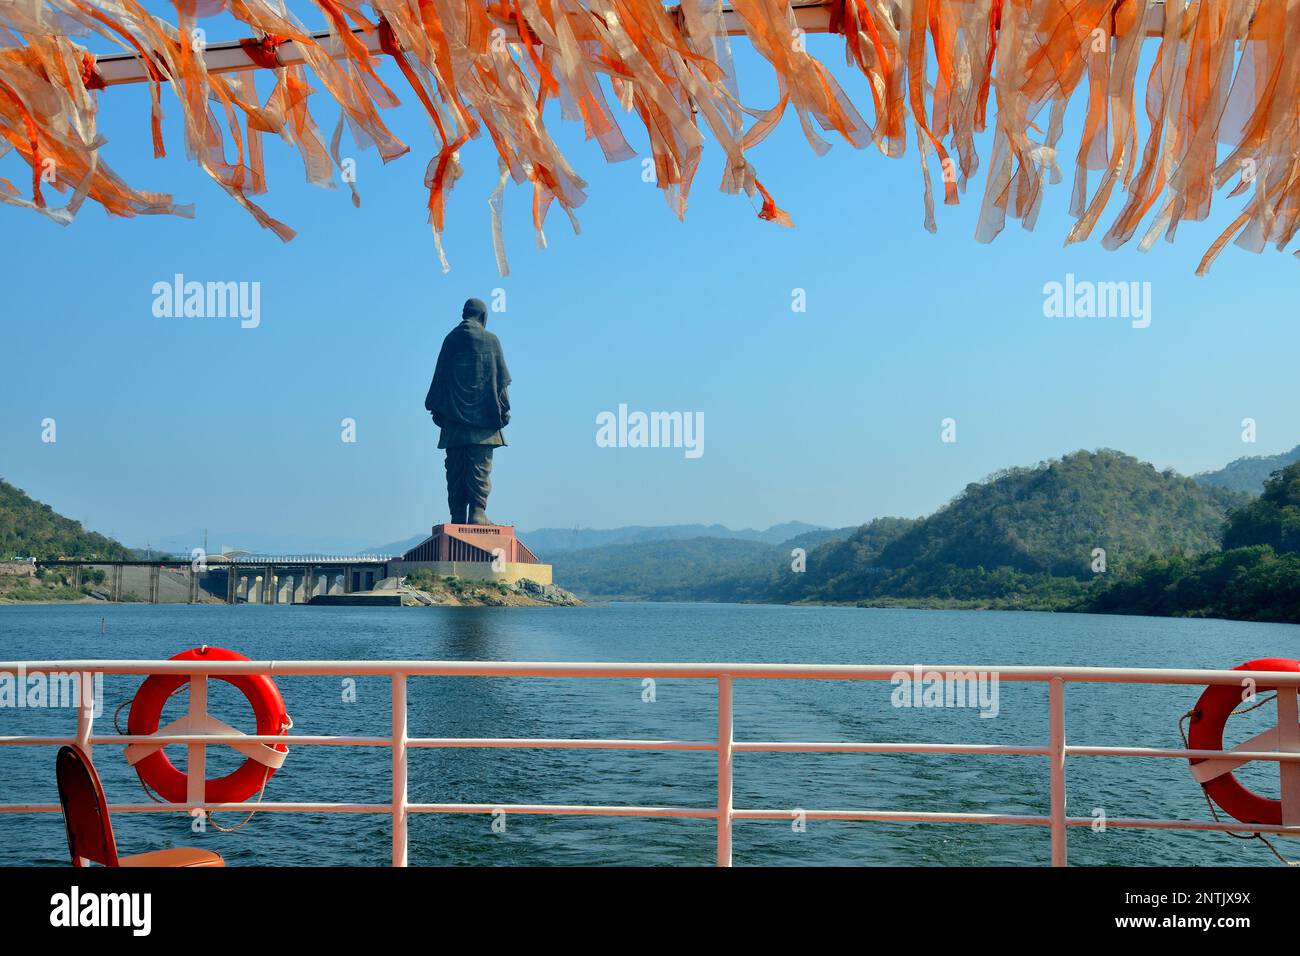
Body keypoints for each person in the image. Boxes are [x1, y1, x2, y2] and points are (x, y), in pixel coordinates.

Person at [424, 298, 511, 525]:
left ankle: (457, 515)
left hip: (454, 423)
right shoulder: (491, 341)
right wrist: (505, 410)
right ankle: (477, 513)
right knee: (479, 469)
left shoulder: (451, 340)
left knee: (455, 470)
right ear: (483, 317)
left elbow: (439, 379)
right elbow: (501, 381)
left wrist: (437, 409)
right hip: (483, 425)